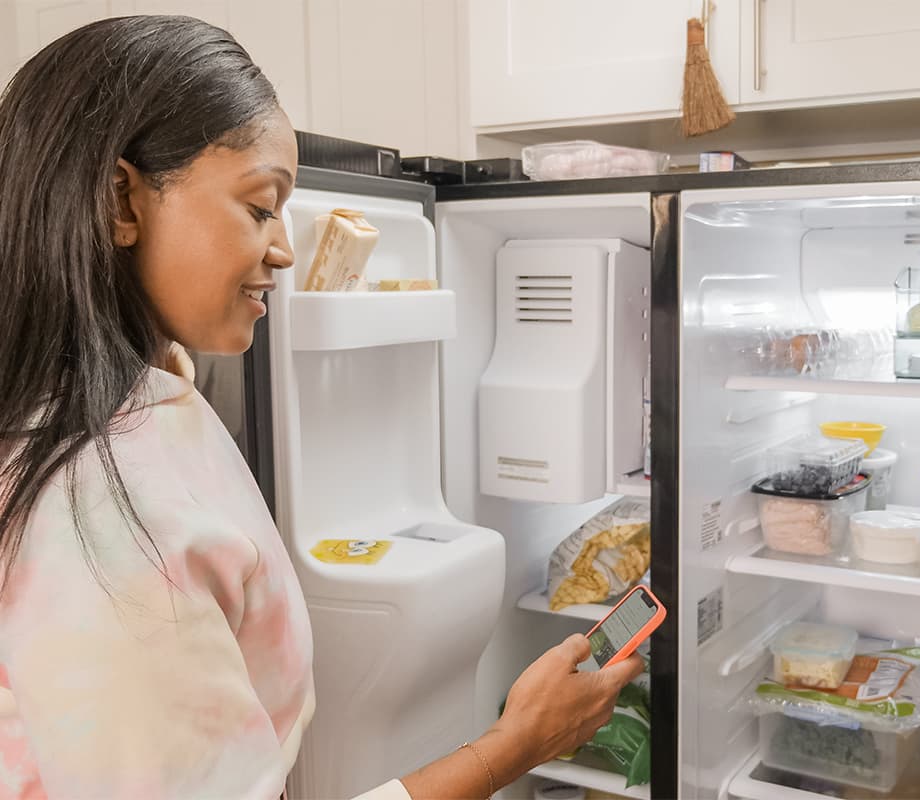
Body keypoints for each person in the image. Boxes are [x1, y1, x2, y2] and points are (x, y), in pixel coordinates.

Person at [0, 15, 645, 799]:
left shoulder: (153, 394)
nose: (285, 248)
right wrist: (516, 745)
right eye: (260, 206)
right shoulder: (96, 517)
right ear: (121, 204)